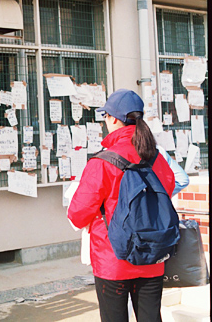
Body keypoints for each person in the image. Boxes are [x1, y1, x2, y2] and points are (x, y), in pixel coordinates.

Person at [67, 89, 175, 322]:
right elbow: (168, 189)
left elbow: (77, 214)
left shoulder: (102, 162)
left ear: (113, 118)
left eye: (105, 116)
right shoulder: (156, 157)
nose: (105, 121)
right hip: (153, 256)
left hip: (112, 259)